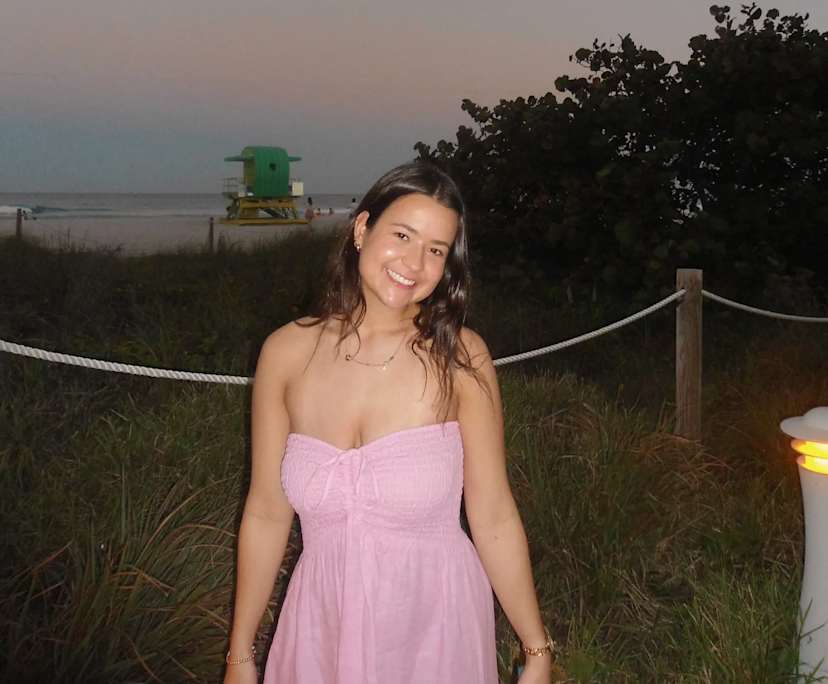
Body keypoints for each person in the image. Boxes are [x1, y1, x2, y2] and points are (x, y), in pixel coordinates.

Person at [224, 162, 553, 684]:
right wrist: (240, 655)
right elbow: (266, 512)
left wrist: (536, 648)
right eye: (402, 235)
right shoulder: (285, 352)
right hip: (322, 628)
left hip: (435, 630)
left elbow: (492, 515)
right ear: (362, 229)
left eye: (436, 250)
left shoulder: (460, 357)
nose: (415, 263)